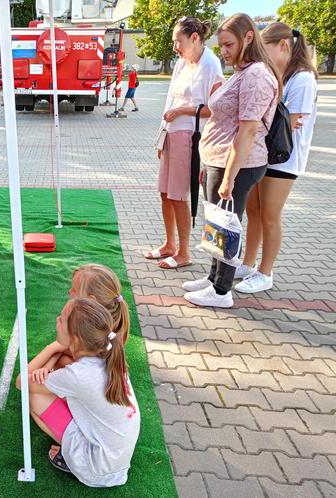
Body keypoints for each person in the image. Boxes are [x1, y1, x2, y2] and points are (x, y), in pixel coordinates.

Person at [183, 13, 282, 308]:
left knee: (227, 225)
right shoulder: (244, 71)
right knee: (217, 223)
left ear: (248, 38)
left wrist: (228, 176)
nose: (223, 51)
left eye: (228, 45)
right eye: (221, 46)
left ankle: (222, 291)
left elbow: (249, 128)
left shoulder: (256, 75)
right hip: (218, 159)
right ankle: (214, 278)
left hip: (236, 163)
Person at [16, 298, 140, 487]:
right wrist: (51, 364)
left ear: (75, 338)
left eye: (62, 319)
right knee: (64, 362)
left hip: (96, 469)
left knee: (34, 396)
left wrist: (53, 348)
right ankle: (75, 448)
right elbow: (65, 363)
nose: (57, 319)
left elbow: (21, 383)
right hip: (114, 460)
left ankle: (72, 457)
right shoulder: (107, 350)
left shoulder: (79, 375)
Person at [235, 23, 318, 294]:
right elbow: (273, 119)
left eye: (265, 51)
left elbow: (288, 123)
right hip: (264, 154)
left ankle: (265, 272)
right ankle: (248, 264)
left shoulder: (303, 78)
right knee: (254, 211)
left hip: (284, 159)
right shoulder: (281, 75)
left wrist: (263, 121)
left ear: (283, 45)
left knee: (270, 215)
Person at [146, 17, 225, 270]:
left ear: (194, 38)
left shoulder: (210, 63)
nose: (175, 47)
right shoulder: (182, 63)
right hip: (171, 133)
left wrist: (184, 111)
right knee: (165, 193)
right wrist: (161, 134)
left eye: (178, 41)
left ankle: (184, 252)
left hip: (189, 137)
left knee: (178, 194)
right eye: (173, 42)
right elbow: (170, 100)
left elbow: (216, 108)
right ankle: (169, 244)